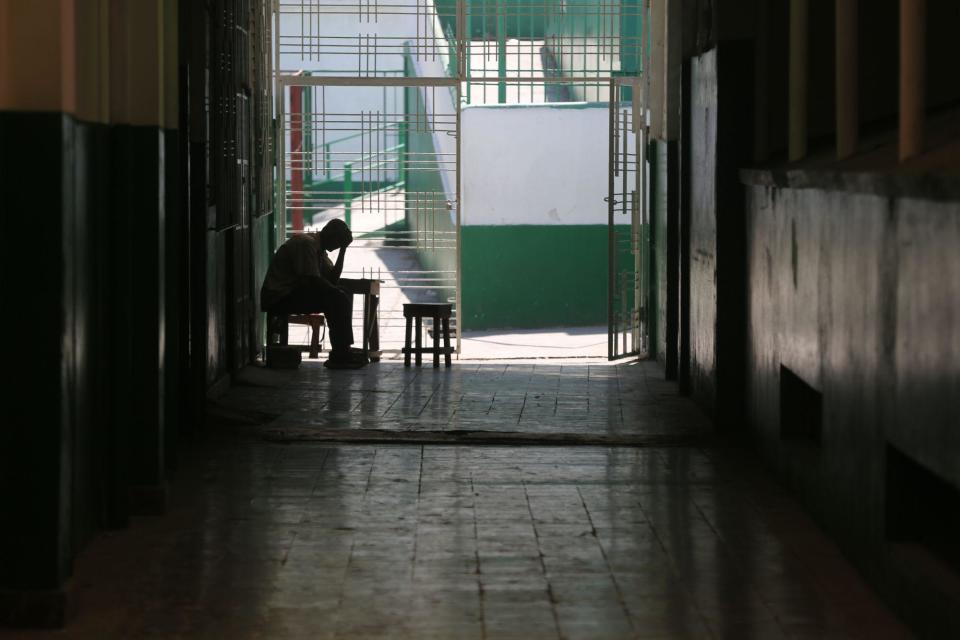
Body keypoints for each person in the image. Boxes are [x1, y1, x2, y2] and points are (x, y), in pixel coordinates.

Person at [261, 219, 367, 369]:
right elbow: (311, 280)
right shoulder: (306, 244)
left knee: (342, 293)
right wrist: (336, 292)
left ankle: (342, 350)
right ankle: (340, 354)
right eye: (338, 242)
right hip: (279, 296)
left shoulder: (320, 249)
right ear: (330, 235)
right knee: (336, 296)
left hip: (293, 293)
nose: (336, 247)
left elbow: (332, 280)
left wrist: (344, 250)